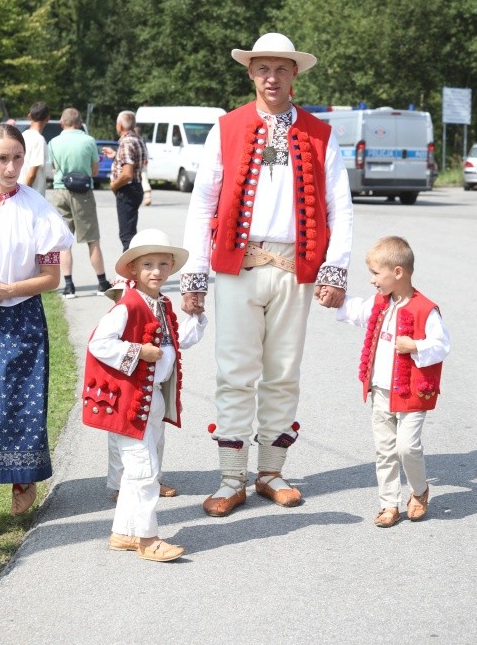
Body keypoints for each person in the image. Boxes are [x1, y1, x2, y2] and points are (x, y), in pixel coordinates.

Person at [180, 32, 353, 517]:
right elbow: (202, 206)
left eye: (280, 68)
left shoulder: (320, 133)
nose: (271, 77)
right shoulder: (227, 127)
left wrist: (334, 270)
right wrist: (194, 276)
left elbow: (341, 206)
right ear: (250, 73)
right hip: (239, 265)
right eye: (262, 69)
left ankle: (272, 471)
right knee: (235, 372)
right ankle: (231, 478)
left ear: (295, 73)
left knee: (282, 372)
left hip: (297, 269)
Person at [0, 123, 74, 542]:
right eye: (1, 158)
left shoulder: (39, 210)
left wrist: (8, 289)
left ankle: (22, 477)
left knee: (15, 407)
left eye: (17, 157)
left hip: (20, 316)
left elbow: (51, 277)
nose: (10, 166)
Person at [83, 229, 207, 562]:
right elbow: (99, 343)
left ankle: (124, 532)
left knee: (141, 469)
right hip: (132, 403)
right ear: (134, 271)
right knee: (144, 470)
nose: (156, 271)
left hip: (153, 401)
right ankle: (148, 539)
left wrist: (195, 317)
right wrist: (138, 351)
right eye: (148, 264)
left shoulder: (161, 304)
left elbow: (172, 347)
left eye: (163, 264)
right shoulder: (128, 306)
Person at [335, 235, 450, 527]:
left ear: (397, 272)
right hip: (381, 392)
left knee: (406, 447)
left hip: (411, 394)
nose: (372, 280)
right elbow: (357, 310)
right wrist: (333, 298)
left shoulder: (426, 309)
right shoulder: (381, 304)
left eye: (376, 273)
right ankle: (389, 504)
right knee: (384, 450)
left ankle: (419, 490)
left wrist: (416, 346)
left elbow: (442, 345)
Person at [103, 277, 179, 501]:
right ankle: (119, 485)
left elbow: (174, 341)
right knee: (121, 439)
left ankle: (154, 478)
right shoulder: (119, 316)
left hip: (153, 387)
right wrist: (137, 352)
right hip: (127, 388)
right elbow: (103, 346)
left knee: (156, 436)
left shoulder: (158, 311)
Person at [48, 107, 111, 298]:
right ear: (79, 122)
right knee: (92, 240)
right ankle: (101, 283)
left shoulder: (53, 142)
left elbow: (54, 167)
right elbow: (94, 171)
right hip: (83, 193)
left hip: (60, 190)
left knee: (65, 241)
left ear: (62, 122)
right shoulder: (89, 141)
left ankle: (69, 286)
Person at [102, 111, 146, 251]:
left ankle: (130, 269)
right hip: (136, 187)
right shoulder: (137, 139)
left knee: (127, 235)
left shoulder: (126, 142)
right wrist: (115, 155)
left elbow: (127, 174)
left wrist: (114, 185)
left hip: (127, 189)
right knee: (130, 231)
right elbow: (134, 163)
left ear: (119, 125)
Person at [18, 101, 51, 197]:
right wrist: (23, 195)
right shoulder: (39, 140)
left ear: (29, 116)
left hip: (17, 189)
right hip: (31, 195)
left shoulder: (21, 136)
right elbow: (32, 173)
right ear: (48, 118)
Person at [134, 125, 152, 207]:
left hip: (136, 163)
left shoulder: (136, 141)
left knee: (142, 179)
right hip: (142, 163)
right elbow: (146, 152)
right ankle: (146, 197)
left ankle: (147, 197)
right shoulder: (142, 141)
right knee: (144, 179)